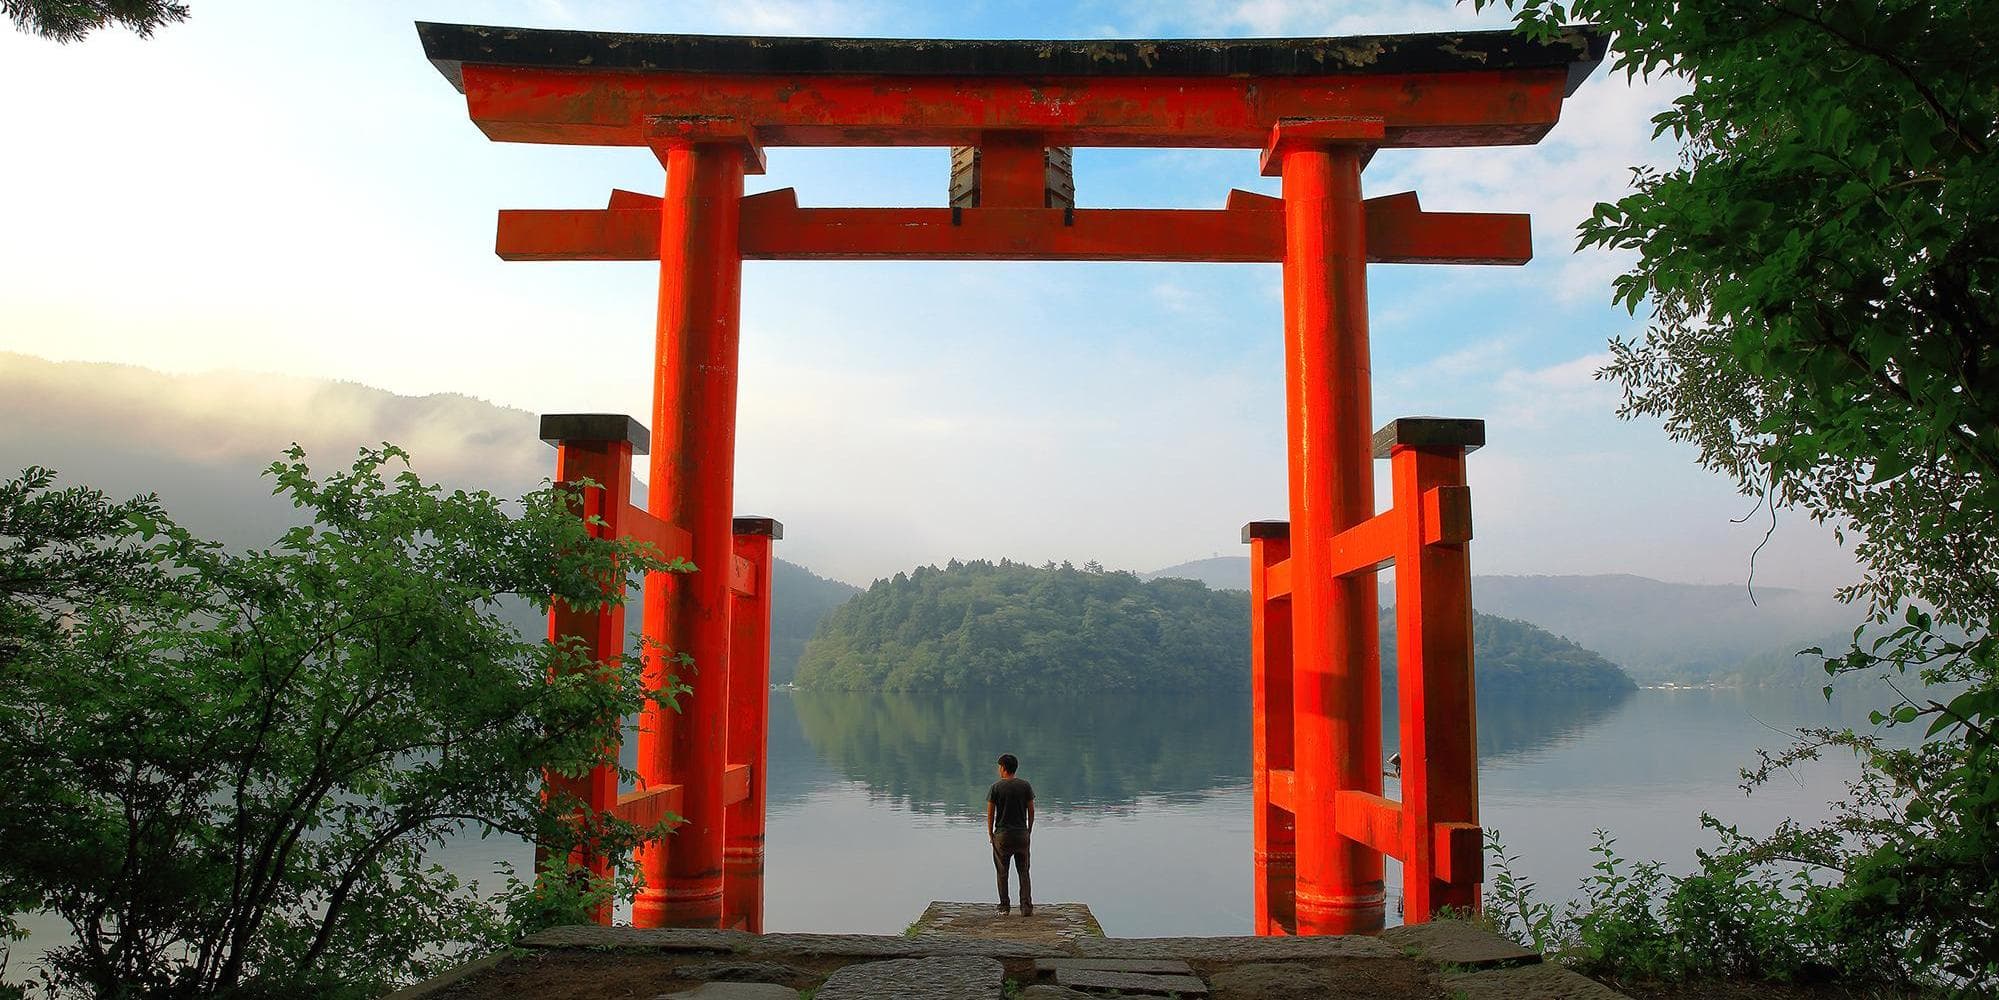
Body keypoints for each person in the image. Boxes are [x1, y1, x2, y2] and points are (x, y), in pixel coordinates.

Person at [986, 752, 1035, 916]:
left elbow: (991, 814)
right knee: (1024, 871)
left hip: (1002, 835)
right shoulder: (1025, 786)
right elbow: (1031, 811)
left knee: (1002, 871)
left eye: (999, 767)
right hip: (1022, 835)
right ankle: (1026, 907)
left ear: (1003, 768)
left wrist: (991, 834)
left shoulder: (996, 788)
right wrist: (1028, 830)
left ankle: (1004, 907)